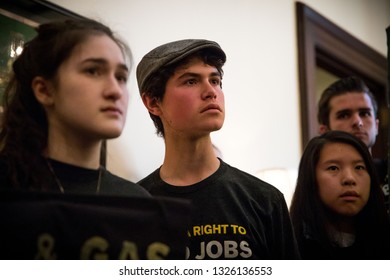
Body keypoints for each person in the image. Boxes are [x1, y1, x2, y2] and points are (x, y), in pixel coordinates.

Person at [136, 39, 300, 259]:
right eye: (191, 81)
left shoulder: (264, 200)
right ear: (153, 102)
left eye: (215, 80)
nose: (211, 91)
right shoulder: (134, 206)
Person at [0, 19, 149, 197]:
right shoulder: (8, 185)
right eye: (92, 71)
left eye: (121, 77)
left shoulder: (136, 201)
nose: (115, 91)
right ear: (44, 90)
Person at [290, 130, 390, 259]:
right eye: (333, 168)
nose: (349, 178)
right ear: (311, 178)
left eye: (359, 167)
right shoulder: (290, 247)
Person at [317, 76, 389, 212]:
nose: (358, 122)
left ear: (377, 126)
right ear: (324, 130)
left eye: (364, 113)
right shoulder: (316, 183)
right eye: (344, 115)